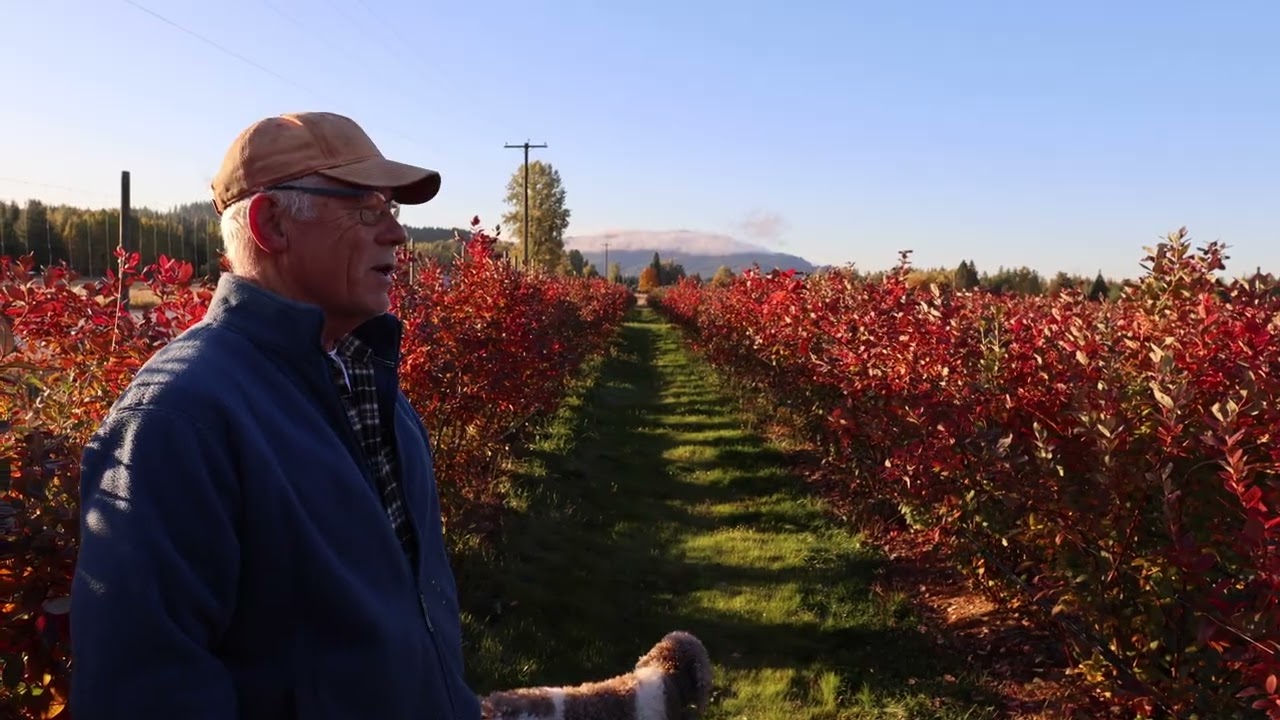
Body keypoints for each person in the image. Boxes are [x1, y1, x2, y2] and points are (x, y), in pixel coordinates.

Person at [70, 111, 483, 719]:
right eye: (367, 206)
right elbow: (145, 692)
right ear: (272, 224)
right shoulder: (177, 420)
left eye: (394, 209)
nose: (397, 235)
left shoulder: (369, 382)